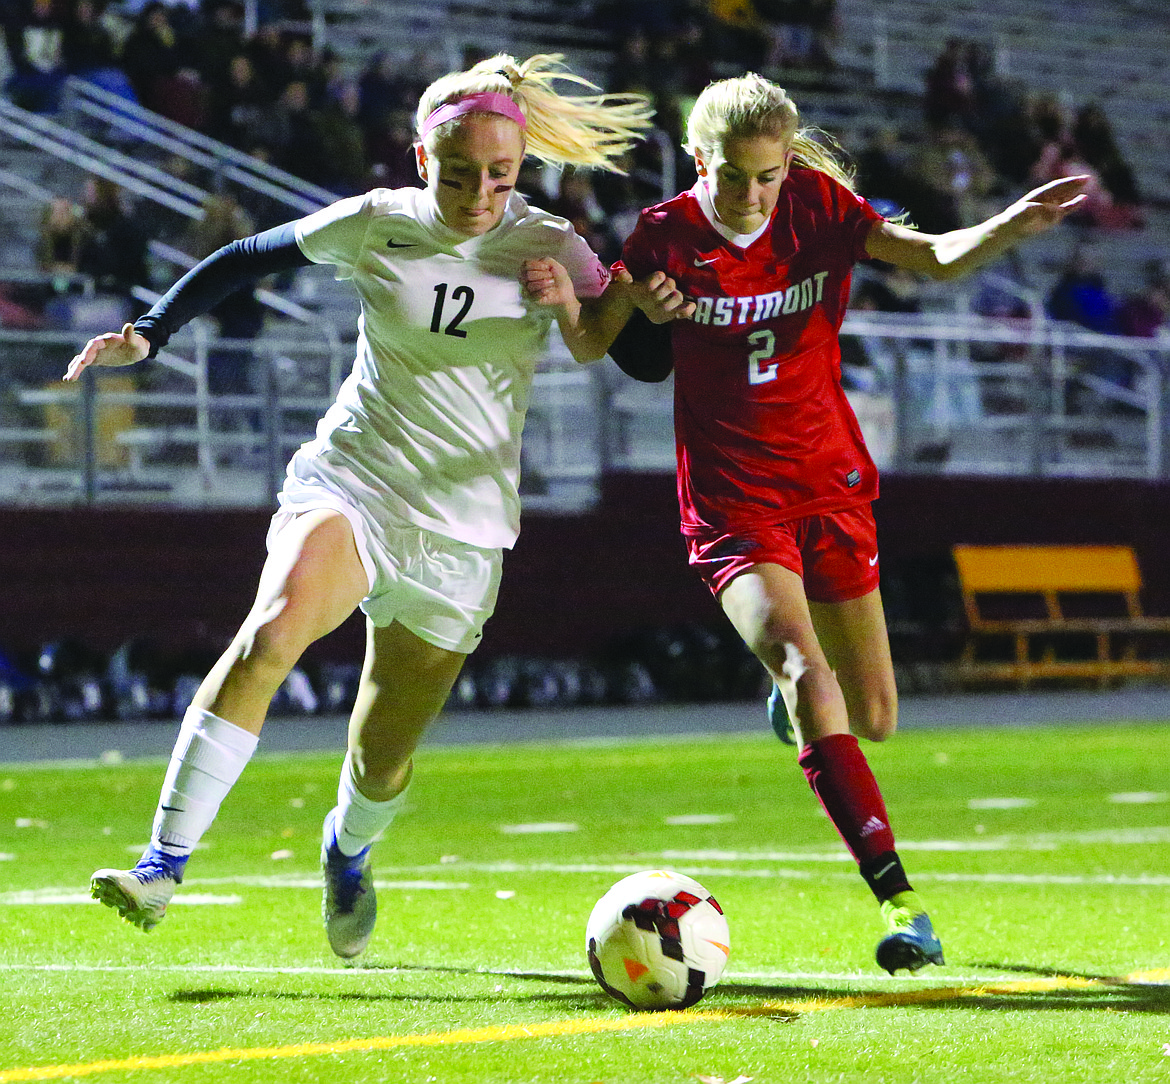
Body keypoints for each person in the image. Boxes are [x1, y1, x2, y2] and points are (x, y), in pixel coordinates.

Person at [72, 52, 657, 959]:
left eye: (500, 175)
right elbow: (243, 256)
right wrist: (149, 334)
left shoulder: (551, 244)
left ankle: (348, 848)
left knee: (383, 754)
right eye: (459, 174)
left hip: (463, 531)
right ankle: (162, 863)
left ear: (521, 168)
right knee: (272, 633)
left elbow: (627, 355)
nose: (479, 193)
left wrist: (639, 302)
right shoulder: (379, 221)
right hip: (356, 481)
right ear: (423, 160)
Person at [534, 72, 1088, 974]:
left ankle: (796, 717)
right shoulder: (665, 234)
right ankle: (903, 902)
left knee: (874, 715)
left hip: (830, 483)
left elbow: (935, 259)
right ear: (700, 160)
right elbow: (594, 340)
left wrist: (1010, 224)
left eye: (772, 175)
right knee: (802, 665)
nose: (756, 194)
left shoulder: (818, 205)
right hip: (733, 503)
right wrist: (617, 304)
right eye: (739, 176)